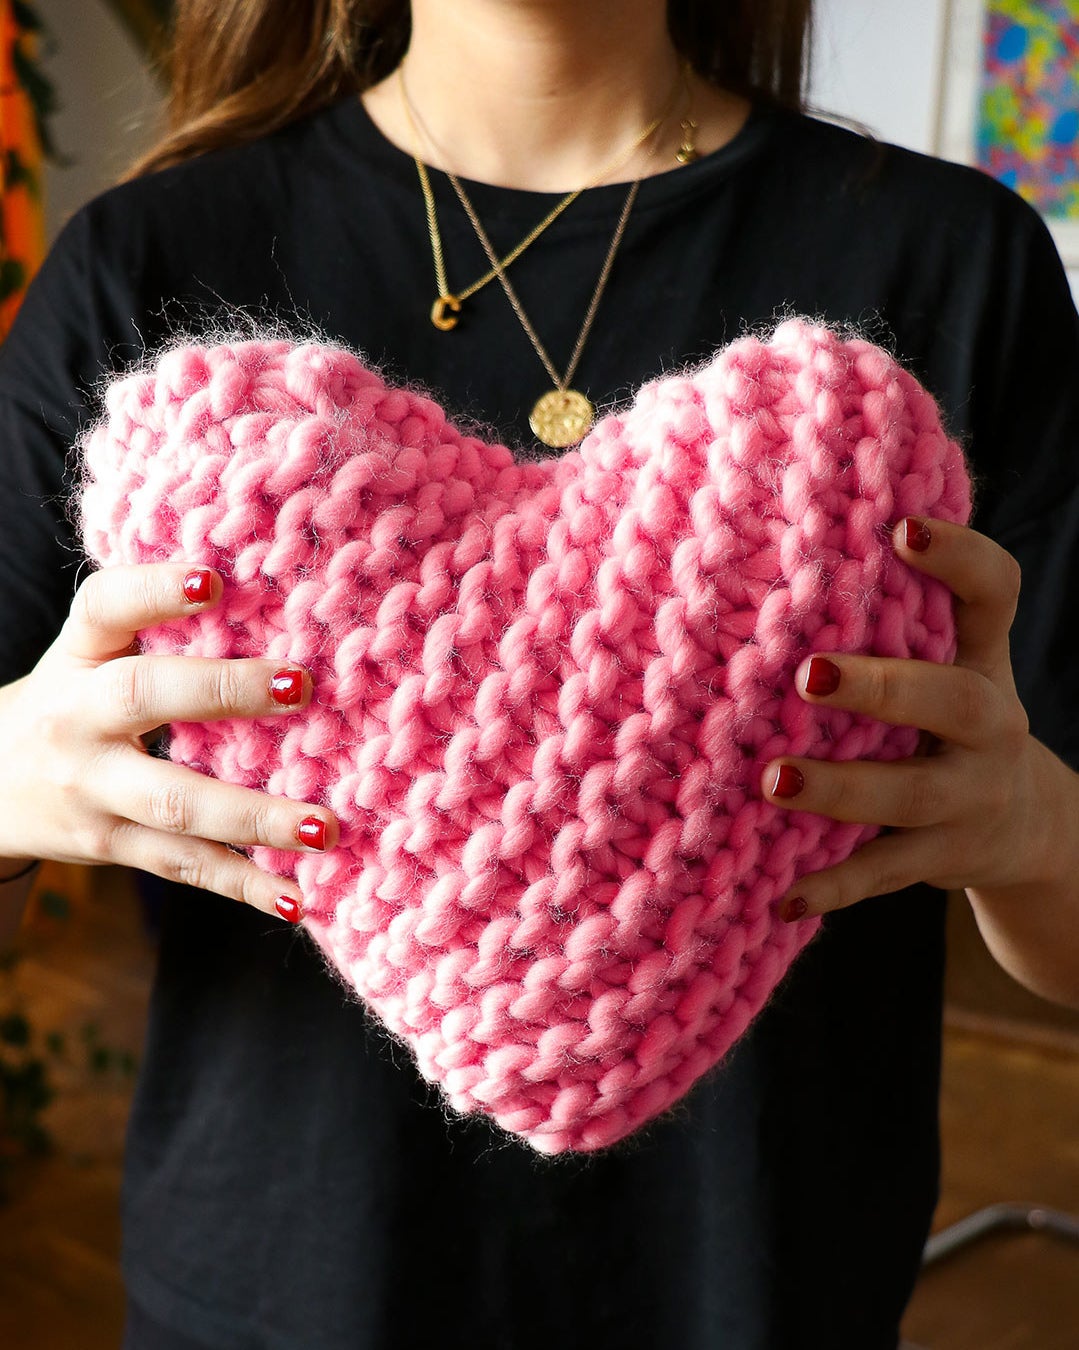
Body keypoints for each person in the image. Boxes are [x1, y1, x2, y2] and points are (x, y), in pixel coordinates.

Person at [1, 1, 1078, 1345]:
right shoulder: (145, 264)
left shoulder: (952, 265)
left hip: (761, 1293)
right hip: (273, 1295)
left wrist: (1030, 824)